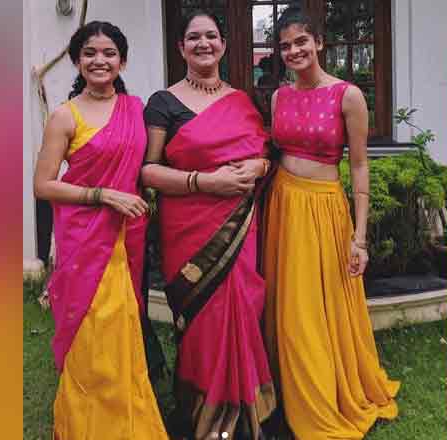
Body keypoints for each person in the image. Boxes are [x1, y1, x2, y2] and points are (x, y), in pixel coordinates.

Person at [262, 7, 401, 440]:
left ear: (319, 42)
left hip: (324, 210)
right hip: (283, 205)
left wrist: (359, 238)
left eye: (301, 41)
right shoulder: (279, 97)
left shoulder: (347, 95)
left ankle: (322, 397)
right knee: (289, 308)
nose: (293, 51)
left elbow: (359, 167)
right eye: (285, 45)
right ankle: (286, 389)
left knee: (318, 310)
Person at [141, 10, 275, 440]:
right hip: (189, 229)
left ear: (223, 44)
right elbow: (149, 170)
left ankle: (245, 416)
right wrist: (205, 181)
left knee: (242, 308)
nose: (204, 43)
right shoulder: (163, 102)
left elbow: (264, 155)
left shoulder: (243, 100)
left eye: (211, 36)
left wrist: (258, 166)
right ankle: (202, 414)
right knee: (203, 318)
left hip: (239, 227)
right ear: (180, 47)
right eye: (194, 37)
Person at [33, 21, 168, 440]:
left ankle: (129, 422)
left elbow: (153, 165)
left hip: (128, 235)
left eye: (109, 53)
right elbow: (43, 185)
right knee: (90, 334)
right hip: (85, 241)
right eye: (90, 52)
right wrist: (102, 195)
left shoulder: (136, 110)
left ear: (122, 62)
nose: (99, 60)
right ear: (77, 60)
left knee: (124, 330)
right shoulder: (65, 116)